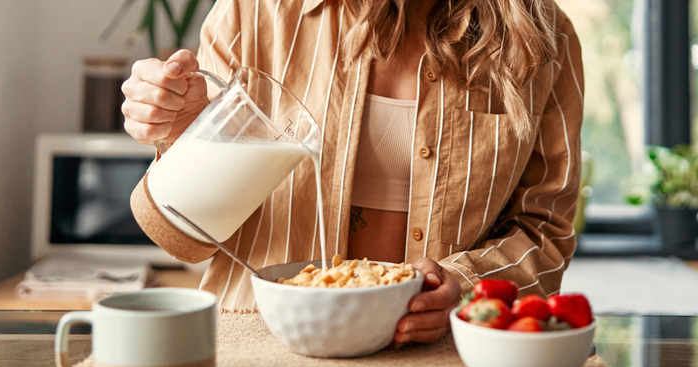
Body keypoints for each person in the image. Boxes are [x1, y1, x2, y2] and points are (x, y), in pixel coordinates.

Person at [121, 0, 583, 346]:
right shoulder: (255, 11)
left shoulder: (545, 39)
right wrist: (183, 142)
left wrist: (461, 282)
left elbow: (543, 231)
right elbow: (181, 239)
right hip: (261, 356)